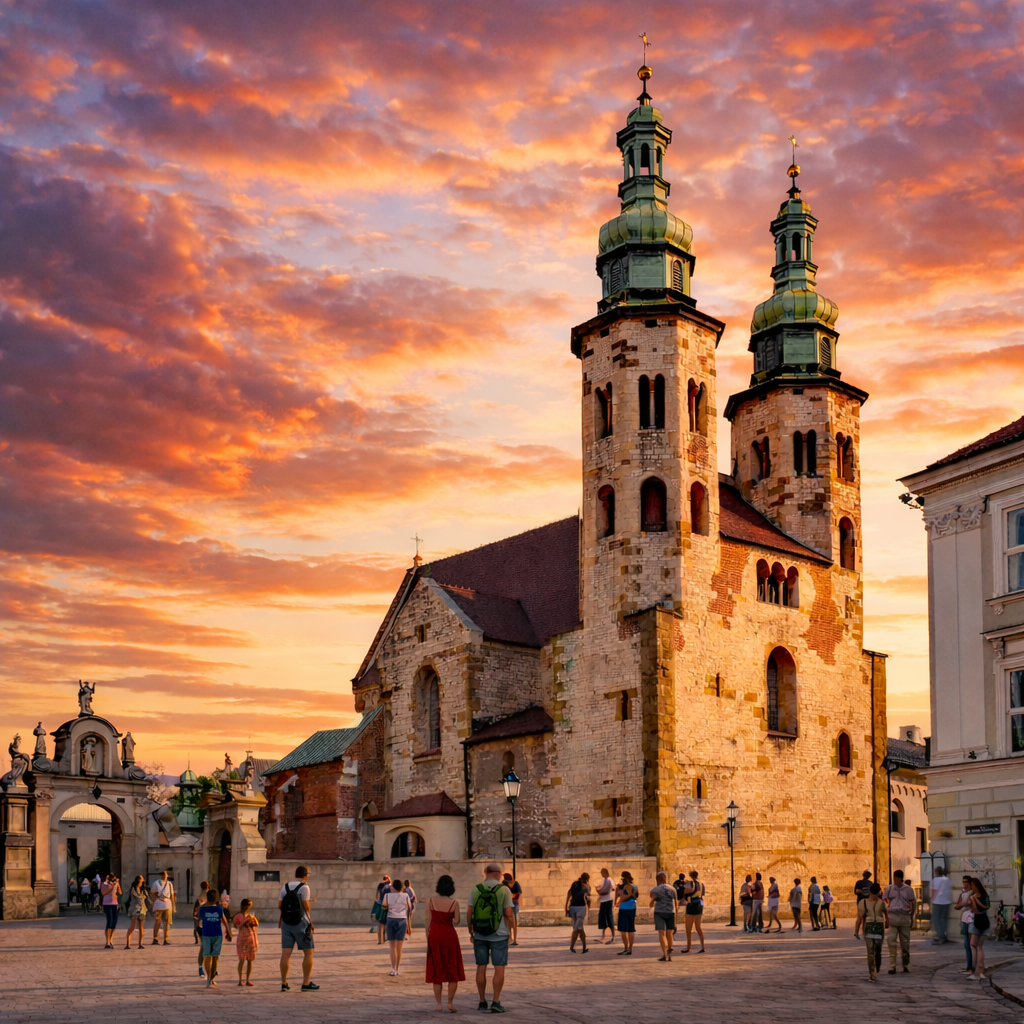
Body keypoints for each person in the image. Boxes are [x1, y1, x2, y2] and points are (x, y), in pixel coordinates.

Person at [467, 862, 514, 1014]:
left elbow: (469, 912)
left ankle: (482, 1001)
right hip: (499, 934)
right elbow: (508, 912)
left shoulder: (476, 889)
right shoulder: (504, 890)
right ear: (498, 874)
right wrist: (511, 930)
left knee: (481, 966)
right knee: (499, 968)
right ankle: (496, 1001)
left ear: (486, 873)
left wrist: (471, 931)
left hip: (480, 934)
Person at [426, 874, 465, 1012]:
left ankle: (438, 1004)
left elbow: (427, 921)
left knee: (437, 969)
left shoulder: (430, 901)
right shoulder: (454, 903)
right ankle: (450, 1002)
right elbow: (456, 921)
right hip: (449, 935)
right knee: (452, 968)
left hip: (435, 935)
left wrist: (428, 938)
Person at [279, 865, 317, 991]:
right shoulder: (304, 887)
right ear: (306, 875)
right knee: (308, 952)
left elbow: (280, 904)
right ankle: (306, 982)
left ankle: (284, 982)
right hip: (301, 922)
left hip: (286, 923)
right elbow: (306, 906)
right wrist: (310, 921)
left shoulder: (285, 887)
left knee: (286, 953)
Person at [197, 888, 232, 988]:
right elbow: (224, 921)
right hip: (217, 935)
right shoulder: (219, 909)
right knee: (215, 958)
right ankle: (212, 978)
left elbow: (199, 920)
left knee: (207, 957)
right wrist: (229, 932)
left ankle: (209, 978)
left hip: (206, 935)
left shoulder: (203, 909)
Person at [882, 869, 915, 974]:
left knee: (905, 943)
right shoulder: (889, 888)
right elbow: (884, 900)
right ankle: (892, 965)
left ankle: (905, 963)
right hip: (893, 916)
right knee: (891, 941)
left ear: (900, 878)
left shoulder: (908, 890)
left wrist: (911, 916)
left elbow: (912, 902)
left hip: (905, 916)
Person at [855, 882, 888, 982]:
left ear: (869, 891)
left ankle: (872, 972)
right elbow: (887, 915)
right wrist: (887, 923)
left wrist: (856, 931)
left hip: (869, 927)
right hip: (879, 927)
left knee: (870, 951)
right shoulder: (882, 903)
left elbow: (859, 917)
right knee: (877, 950)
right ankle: (876, 967)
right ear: (878, 893)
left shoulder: (863, 902)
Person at [384, 878, 413, 976]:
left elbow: (384, 906)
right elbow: (409, 907)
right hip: (402, 920)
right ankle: (397, 968)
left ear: (394, 887)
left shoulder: (387, 896)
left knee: (392, 947)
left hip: (390, 919)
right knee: (399, 947)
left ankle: (393, 969)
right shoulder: (405, 896)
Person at [649, 871, 678, 962]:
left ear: (657, 879)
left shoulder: (654, 890)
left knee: (662, 933)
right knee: (669, 933)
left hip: (659, 913)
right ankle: (670, 949)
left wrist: (653, 899)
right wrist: (675, 919)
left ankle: (664, 953)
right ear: (666, 878)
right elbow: (676, 904)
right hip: (670, 912)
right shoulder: (673, 889)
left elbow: (651, 904)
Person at [967, 876, 992, 981]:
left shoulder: (976, 896)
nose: (971, 886)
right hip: (984, 922)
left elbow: (975, 910)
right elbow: (986, 907)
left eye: (972, 885)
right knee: (979, 947)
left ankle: (976, 971)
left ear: (975, 885)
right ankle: (979, 971)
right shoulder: (984, 896)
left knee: (975, 947)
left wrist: (973, 899)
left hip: (978, 921)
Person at [233, 897, 259, 986]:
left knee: (250, 960)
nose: (250, 907)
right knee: (241, 959)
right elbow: (236, 926)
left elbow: (256, 926)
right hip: (242, 939)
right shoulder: (238, 916)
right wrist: (243, 924)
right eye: (249, 905)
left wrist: (252, 924)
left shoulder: (252, 916)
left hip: (251, 939)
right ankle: (240, 979)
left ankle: (248, 979)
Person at [565, 872, 591, 953]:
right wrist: (589, 908)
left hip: (573, 907)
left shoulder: (574, 884)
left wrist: (566, 905)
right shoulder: (586, 887)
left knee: (578, 928)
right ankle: (574, 947)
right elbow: (588, 898)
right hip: (580, 907)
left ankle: (581, 947)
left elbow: (569, 894)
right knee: (578, 928)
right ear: (587, 879)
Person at [614, 871, 638, 955]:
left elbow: (624, 896)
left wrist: (619, 894)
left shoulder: (626, 887)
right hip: (632, 908)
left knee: (623, 930)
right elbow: (636, 897)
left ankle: (626, 948)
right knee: (631, 929)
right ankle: (629, 949)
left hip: (624, 908)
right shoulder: (635, 886)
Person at [955, 875, 975, 974]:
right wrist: (963, 903)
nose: (965, 884)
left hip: (972, 918)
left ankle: (972, 967)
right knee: (966, 944)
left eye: (966, 882)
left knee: (972, 944)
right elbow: (957, 905)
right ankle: (969, 966)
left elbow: (972, 904)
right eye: (963, 882)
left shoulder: (973, 893)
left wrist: (965, 903)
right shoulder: (963, 893)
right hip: (964, 919)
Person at [682, 870, 705, 952]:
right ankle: (702, 946)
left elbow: (688, 891)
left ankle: (688, 947)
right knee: (698, 927)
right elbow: (703, 893)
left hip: (691, 906)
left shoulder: (691, 883)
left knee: (688, 928)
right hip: (699, 905)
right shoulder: (701, 884)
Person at [150, 870, 176, 945]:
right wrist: (155, 899)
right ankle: (155, 938)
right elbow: (153, 893)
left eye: (166, 874)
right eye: (164, 875)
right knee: (157, 922)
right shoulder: (156, 883)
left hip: (167, 904)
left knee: (166, 922)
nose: (165, 876)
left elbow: (172, 895)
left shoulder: (169, 884)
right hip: (159, 904)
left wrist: (174, 906)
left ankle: (166, 938)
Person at [124, 875, 148, 949]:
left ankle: (140, 943)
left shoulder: (142, 889)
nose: (143, 880)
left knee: (141, 926)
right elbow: (138, 898)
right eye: (142, 878)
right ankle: (128, 943)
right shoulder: (133, 889)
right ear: (139, 880)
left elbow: (145, 898)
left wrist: (146, 893)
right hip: (134, 909)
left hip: (142, 909)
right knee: (133, 926)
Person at [930, 866, 952, 945]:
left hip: (937, 902)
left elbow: (933, 891)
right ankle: (944, 936)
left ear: (936, 872)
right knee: (943, 920)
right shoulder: (947, 879)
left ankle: (941, 937)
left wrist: (931, 902)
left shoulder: (934, 880)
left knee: (936, 920)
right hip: (947, 902)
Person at [100, 873, 121, 948]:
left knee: (114, 923)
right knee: (109, 921)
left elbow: (120, 892)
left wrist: (117, 884)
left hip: (114, 904)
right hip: (107, 904)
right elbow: (103, 893)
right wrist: (111, 886)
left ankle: (110, 939)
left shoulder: (116, 884)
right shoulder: (104, 884)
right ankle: (107, 942)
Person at [193, 880, 209, 975]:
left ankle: (203, 967)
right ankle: (203, 967)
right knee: (206, 948)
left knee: (204, 947)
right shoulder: (206, 898)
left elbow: (195, 914)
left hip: (202, 925)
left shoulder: (199, 898)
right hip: (204, 925)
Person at [502, 873, 522, 946]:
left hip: (513, 904)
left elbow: (519, 893)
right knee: (509, 922)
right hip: (508, 904)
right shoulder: (504, 885)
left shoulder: (515, 884)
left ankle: (514, 938)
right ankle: (510, 937)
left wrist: (513, 896)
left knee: (513, 922)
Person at [596, 868, 616, 944]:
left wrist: (599, 891)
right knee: (603, 919)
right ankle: (603, 936)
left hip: (608, 900)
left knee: (609, 918)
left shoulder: (609, 880)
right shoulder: (604, 880)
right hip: (603, 900)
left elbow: (609, 890)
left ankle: (613, 937)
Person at [853, 871, 872, 938]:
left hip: (860, 901)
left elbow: (856, 891)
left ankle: (856, 932)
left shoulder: (859, 882)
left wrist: (861, 891)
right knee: (866, 917)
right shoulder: (870, 883)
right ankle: (864, 931)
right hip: (868, 901)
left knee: (859, 917)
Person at [374, 874, 392, 944]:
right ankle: (387, 938)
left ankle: (380, 940)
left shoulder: (380, 885)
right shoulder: (389, 886)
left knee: (381, 923)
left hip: (380, 904)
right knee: (387, 922)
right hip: (386, 905)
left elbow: (376, 896)